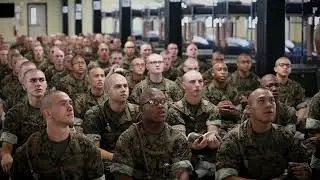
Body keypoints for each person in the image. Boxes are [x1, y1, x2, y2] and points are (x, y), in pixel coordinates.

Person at [215, 88, 311, 180]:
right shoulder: (233, 138)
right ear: (248, 109)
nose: (269, 105)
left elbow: (304, 164)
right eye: (261, 101)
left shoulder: (286, 136)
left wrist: (304, 172)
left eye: (272, 100)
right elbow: (225, 176)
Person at [11, 90, 105, 180]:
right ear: (48, 113)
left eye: (70, 103)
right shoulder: (28, 150)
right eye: (63, 104)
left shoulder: (86, 146)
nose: (70, 107)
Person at [110, 88, 193, 179]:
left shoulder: (177, 138)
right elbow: (122, 176)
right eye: (153, 102)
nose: (161, 105)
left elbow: (182, 175)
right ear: (141, 109)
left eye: (163, 101)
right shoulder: (128, 138)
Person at [83, 73, 140, 176]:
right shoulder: (94, 114)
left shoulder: (137, 111)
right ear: (107, 91)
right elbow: (94, 149)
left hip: (134, 158)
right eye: (118, 86)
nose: (123, 89)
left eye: (125, 86)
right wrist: (118, 158)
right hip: (107, 160)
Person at [167, 71, 221, 179]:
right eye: (192, 82)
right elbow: (180, 140)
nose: (197, 85)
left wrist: (213, 141)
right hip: (183, 152)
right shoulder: (175, 110)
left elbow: (212, 133)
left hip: (207, 152)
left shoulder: (212, 109)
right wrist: (192, 145)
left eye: (200, 81)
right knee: (182, 165)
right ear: (183, 85)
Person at [1, 69, 47, 173]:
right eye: (33, 81)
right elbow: (8, 139)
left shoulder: (56, 108)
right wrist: (6, 154)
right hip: (27, 161)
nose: (38, 84)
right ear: (24, 86)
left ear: (46, 84)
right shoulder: (16, 112)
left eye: (41, 80)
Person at [204, 62, 240, 130]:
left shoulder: (233, 91)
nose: (223, 72)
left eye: (225, 70)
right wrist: (216, 109)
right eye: (219, 70)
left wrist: (233, 110)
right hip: (213, 124)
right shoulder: (206, 90)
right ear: (212, 73)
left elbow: (239, 112)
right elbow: (202, 113)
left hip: (231, 125)